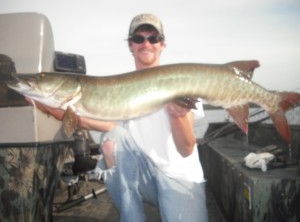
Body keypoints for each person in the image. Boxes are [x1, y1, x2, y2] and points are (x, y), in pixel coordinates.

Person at [34, 13, 208, 222]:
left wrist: (178, 116)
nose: (146, 43)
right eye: (138, 38)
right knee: (111, 137)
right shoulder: (120, 91)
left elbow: (187, 148)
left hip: (179, 177)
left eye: (153, 38)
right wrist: (56, 111)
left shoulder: (183, 82)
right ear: (130, 45)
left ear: (163, 44)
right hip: (142, 176)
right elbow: (106, 124)